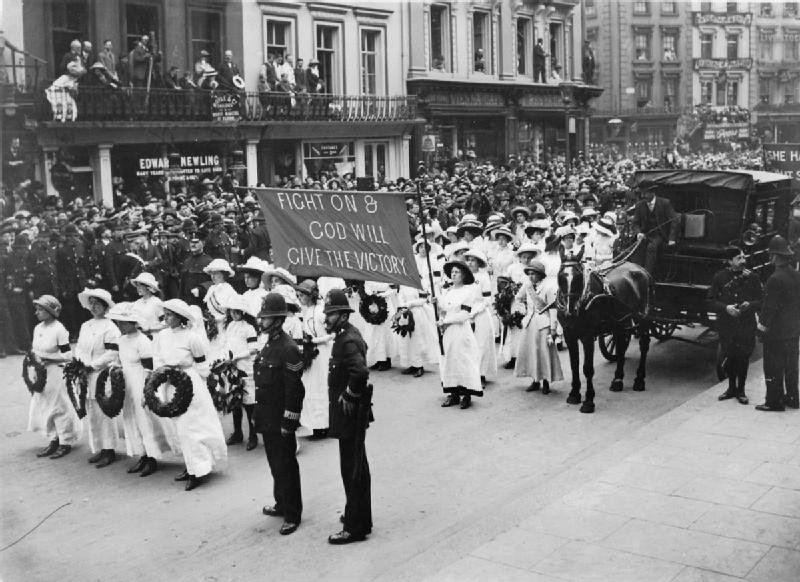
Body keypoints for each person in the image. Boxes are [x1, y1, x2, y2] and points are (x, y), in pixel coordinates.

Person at [155, 299, 227, 490]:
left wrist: (199, 386)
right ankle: (190, 466)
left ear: (180, 318)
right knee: (180, 428)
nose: (166, 318)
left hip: (190, 383)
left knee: (191, 428)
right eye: (165, 314)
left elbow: (202, 365)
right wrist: (163, 376)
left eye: (170, 315)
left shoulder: (191, 337)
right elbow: (159, 358)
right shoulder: (162, 336)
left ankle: (199, 470)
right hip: (170, 382)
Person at [322, 289, 373, 544]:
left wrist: (350, 396)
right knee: (356, 466)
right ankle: (360, 516)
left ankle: (355, 527)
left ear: (342, 315)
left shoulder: (347, 340)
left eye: (331, 314)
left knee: (352, 469)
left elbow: (360, 373)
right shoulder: (344, 335)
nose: (327, 318)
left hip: (351, 413)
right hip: (349, 413)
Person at [254, 292, 305, 536]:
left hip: (281, 418)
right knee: (275, 464)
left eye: (265, 318)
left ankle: (293, 513)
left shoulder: (288, 348)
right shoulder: (270, 344)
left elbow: (295, 390)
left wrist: (289, 420)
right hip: (267, 416)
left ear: (276, 320)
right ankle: (281, 502)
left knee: (286, 466)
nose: (261, 322)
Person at [109, 302, 173, 477]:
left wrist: (147, 390)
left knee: (145, 420)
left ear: (133, 322)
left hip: (140, 383)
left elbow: (149, 369)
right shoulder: (121, 340)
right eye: (118, 322)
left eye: (123, 322)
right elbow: (121, 360)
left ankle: (152, 458)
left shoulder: (143, 341)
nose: (120, 326)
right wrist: (116, 367)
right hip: (126, 384)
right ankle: (142, 454)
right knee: (132, 419)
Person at [27, 295, 81, 459]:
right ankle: (53, 439)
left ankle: (65, 441)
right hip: (41, 373)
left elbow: (68, 356)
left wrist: (49, 359)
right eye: (36, 309)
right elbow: (35, 349)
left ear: (50, 311)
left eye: (40, 309)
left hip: (56, 373)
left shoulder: (59, 329)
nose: (36, 312)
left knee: (59, 406)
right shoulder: (38, 328)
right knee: (44, 404)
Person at [707, 248, 762, 405]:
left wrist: (749, 305)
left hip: (746, 324)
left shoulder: (752, 277)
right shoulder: (720, 277)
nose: (743, 260)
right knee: (730, 355)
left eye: (744, 257)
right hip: (727, 324)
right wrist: (726, 308)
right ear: (730, 261)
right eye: (739, 258)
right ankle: (731, 388)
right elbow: (710, 300)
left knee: (743, 357)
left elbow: (761, 300)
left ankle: (741, 390)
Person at [74, 288, 121, 468]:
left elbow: (112, 352)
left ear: (105, 306)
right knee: (92, 412)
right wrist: (79, 363)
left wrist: (92, 365)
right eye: (91, 303)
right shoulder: (86, 325)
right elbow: (78, 347)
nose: (94, 307)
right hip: (85, 374)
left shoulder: (110, 327)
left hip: (101, 374)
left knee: (103, 411)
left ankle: (109, 450)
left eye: (97, 304)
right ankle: (99, 447)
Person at [755, 236, 800, 411]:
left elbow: (769, 309)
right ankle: (793, 398)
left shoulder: (774, 279)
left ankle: (774, 402)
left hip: (776, 333)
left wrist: (761, 329)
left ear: (774, 256)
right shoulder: (796, 275)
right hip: (794, 330)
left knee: (773, 367)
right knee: (791, 366)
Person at [438, 259, 482, 409]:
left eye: (457, 272)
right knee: (449, 360)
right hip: (448, 332)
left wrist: (447, 321)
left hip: (461, 331)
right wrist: (438, 307)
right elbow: (443, 310)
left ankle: (466, 395)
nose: (454, 274)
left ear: (463, 275)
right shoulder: (447, 291)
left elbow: (464, 315)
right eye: (452, 272)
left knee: (463, 360)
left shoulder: (468, 291)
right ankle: (454, 394)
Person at [514, 260, 562, 393]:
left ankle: (546, 381)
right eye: (529, 274)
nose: (530, 276)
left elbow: (553, 309)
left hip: (544, 324)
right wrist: (523, 310)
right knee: (532, 352)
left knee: (544, 352)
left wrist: (553, 328)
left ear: (540, 275)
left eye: (533, 274)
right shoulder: (527, 286)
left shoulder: (549, 288)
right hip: (530, 322)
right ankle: (535, 380)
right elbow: (518, 298)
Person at [220, 293, 260, 450]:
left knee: (249, 402)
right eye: (231, 311)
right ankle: (237, 432)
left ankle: (253, 434)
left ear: (243, 312)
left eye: (237, 311)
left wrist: (236, 357)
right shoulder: (230, 326)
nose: (233, 314)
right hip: (232, 369)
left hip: (245, 368)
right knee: (235, 400)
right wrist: (225, 358)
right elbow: (226, 345)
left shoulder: (249, 328)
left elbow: (254, 350)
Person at [297, 279, 333, 437]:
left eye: (303, 294)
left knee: (322, 386)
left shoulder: (321, 311)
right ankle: (317, 425)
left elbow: (331, 334)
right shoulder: (306, 312)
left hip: (323, 353)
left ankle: (326, 424)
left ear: (311, 295)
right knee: (311, 388)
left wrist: (314, 341)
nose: (299, 297)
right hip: (311, 355)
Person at [631, 184, 679, 278]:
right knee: (637, 246)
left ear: (653, 193)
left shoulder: (665, 203)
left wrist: (671, 238)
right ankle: (636, 271)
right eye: (642, 194)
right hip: (644, 235)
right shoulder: (640, 205)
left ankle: (647, 275)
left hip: (660, 235)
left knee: (651, 247)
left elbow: (675, 220)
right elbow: (635, 223)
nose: (643, 196)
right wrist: (638, 233)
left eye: (646, 194)